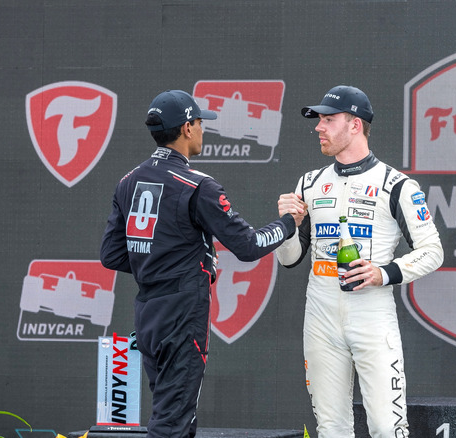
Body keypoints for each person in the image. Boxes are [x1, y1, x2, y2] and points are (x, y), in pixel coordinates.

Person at [100, 89, 306, 438]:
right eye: (199, 122)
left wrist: (161, 262)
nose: (203, 129)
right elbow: (249, 246)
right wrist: (288, 224)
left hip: (148, 311)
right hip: (183, 311)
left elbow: (113, 255)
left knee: (175, 411)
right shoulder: (198, 185)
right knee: (172, 421)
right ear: (186, 128)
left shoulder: (128, 181)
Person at [275, 85, 444, 437]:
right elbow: (290, 259)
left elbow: (433, 251)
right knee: (331, 428)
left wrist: (382, 273)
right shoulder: (309, 182)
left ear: (355, 125)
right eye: (319, 121)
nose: (319, 128)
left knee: (387, 427)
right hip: (320, 314)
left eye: (328, 120)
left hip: (372, 315)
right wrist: (288, 226)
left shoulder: (397, 185)